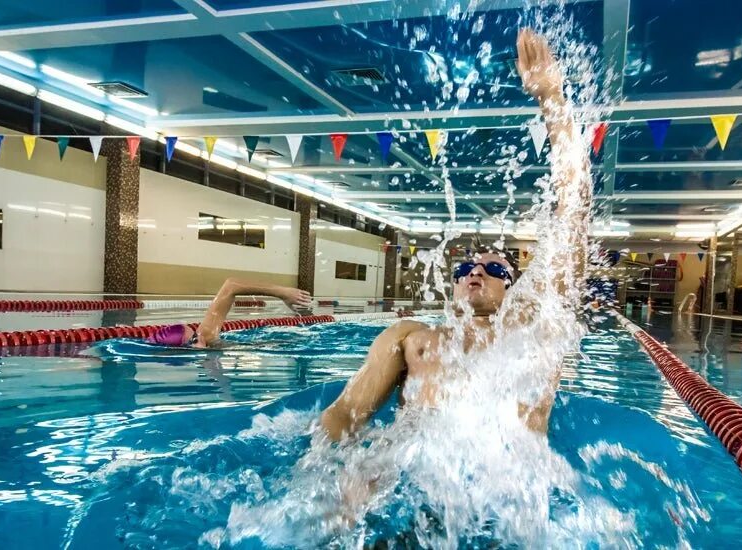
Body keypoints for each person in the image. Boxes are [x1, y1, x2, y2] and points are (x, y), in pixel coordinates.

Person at [319, 28, 584, 442]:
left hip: (509, 479)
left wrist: (552, 99)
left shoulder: (533, 329)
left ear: (515, 287)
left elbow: (572, 220)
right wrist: (324, 466)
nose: (475, 272)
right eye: (465, 267)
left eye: (494, 268)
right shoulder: (410, 338)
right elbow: (345, 413)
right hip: (412, 466)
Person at [146, 278, 312, 348]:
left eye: (195, 331)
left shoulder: (207, 335)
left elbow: (231, 285)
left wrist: (283, 293)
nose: (201, 335)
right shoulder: (205, 361)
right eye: (194, 339)